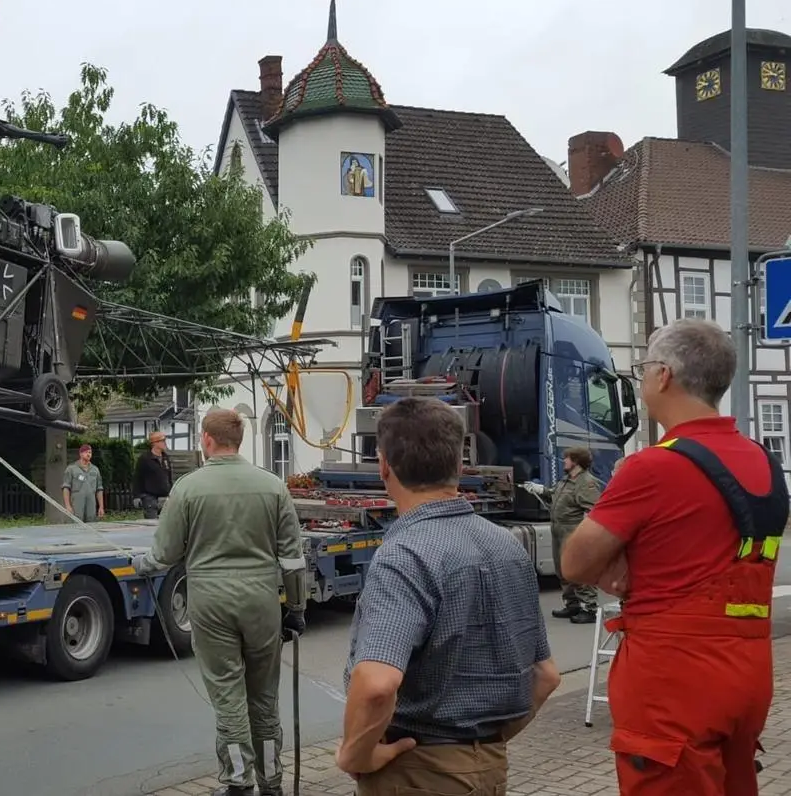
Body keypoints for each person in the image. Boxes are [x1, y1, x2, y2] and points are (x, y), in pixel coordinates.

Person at [561, 319, 787, 796]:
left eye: (643, 368)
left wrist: (621, 559)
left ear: (663, 375)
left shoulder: (654, 466)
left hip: (673, 681)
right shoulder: (762, 460)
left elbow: (576, 563)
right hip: (747, 672)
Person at [337, 396, 560, 795]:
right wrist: (484, 746)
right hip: (487, 770)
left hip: (415, 771)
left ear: (384, 465)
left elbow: (376, 684)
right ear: (459, 465)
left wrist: (355, 756)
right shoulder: (507, 546)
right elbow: (545, 677)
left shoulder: (404, 554)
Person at [133, 408, 307, 796]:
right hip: (262, 600)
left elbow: (163, 554)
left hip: (211, 603)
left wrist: (140, 564)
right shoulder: (272, 486)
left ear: (207, 440)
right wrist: (295, 609)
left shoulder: (189, 489)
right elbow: (293, 558)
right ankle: (271, 781)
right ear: (239, 440)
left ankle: (239, 782)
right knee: (264, 700)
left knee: (229, 698)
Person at [543, 446, 604, 623]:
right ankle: (572, 604)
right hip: (558, 529)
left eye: (567, 458)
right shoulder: (566, 480)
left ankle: (589, 608)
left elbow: (596, 509)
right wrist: (541, 491)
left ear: (576, 461)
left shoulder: (586, 482)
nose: (564, 461)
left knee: (578, 569)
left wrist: (586, 532)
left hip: (572, 530)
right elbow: (554, 496)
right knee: (563, 570)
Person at [133, 430, 176, 519]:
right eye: (162, 441)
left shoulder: (165, 458)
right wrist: (136, 496)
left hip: (164, 497)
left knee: (166, 523)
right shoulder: (145, 459)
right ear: (155, 443)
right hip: (149, 497)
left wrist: (171, 492)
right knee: (152, 525)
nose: (165, 443)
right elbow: (137, 478)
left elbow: (169, 476)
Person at [62, 443, 105, 522]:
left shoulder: (95, 470)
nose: (88, 454)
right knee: (75, 525)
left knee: (91, 524)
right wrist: (67, 506)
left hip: (91, 506)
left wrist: (101, 507)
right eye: (86, 452)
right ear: (80, 454)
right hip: (76, 506)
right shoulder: (71, 469)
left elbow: (99, 489)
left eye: (90, 452)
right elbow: (66, 488)